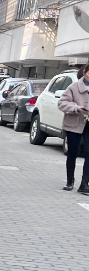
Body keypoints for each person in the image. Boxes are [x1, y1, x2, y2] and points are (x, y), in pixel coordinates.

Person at [58, 63, 89, 194]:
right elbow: (62, 103)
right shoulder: (74, 87)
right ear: (85, 72)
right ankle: (69, 181)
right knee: (72, 153)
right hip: (74, 123)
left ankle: (84, 184)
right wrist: (77, 108)